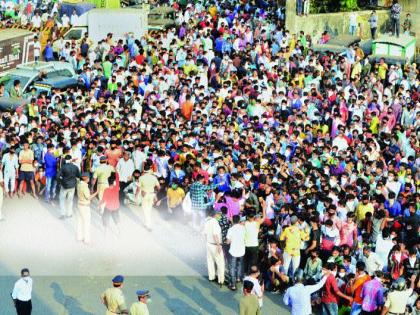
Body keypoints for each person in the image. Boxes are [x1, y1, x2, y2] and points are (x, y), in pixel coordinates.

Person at [204, 208, 225, 287]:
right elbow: (215, 234)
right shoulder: (215, 222)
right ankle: (221, 280)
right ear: (215, 215)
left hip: (208, 244)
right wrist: (218, 245)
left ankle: (211, 277)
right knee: (220, 262)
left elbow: (205, 233)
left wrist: (207, 242)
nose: (220, 215)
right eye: (219, 214)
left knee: (210, 261)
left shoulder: (207, 221)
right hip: (215, 245)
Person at [76, 172, 98, 244]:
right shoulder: (84, 186)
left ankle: (79, 237)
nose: (89, 179)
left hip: (79, 204)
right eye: (89, 178)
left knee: (80, 221)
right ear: (86, 178)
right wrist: (96, 193)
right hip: (85, 206)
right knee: (86, 223)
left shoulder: (79, 184)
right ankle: (87, 240)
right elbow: (88, 197)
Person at [226, 215, 246, 291]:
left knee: (232, 267)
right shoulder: (243, 228)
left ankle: (233, 284)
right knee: (240, 264)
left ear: (232, 220)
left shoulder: (230, 229)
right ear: (239, 220)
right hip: (242, 250)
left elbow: (228, 241)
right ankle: (238, 278)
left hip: (233, 251)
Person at [138, 163, 160, 231]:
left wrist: (136, 195)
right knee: (149, 209)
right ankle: (147, 223)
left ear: (144, 169)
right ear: (150, 169)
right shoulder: (154, 177)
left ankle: (148, 224)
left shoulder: (141, 177)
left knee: (145, 210)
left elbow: (138, 188)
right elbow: (158, 187)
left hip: (144, 194)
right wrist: (155, 193)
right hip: (151, 194)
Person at [57, 155, 80, 219]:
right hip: (72, 186)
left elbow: (57, 176)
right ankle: (69, 214)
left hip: (64, 186)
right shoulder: (75, 167)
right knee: (70, 200)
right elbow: (79, 176)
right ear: (71, 159)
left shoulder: (63, 167)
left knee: (62, 200)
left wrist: (61, 182)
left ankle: (63, 214)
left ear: (65, 160)